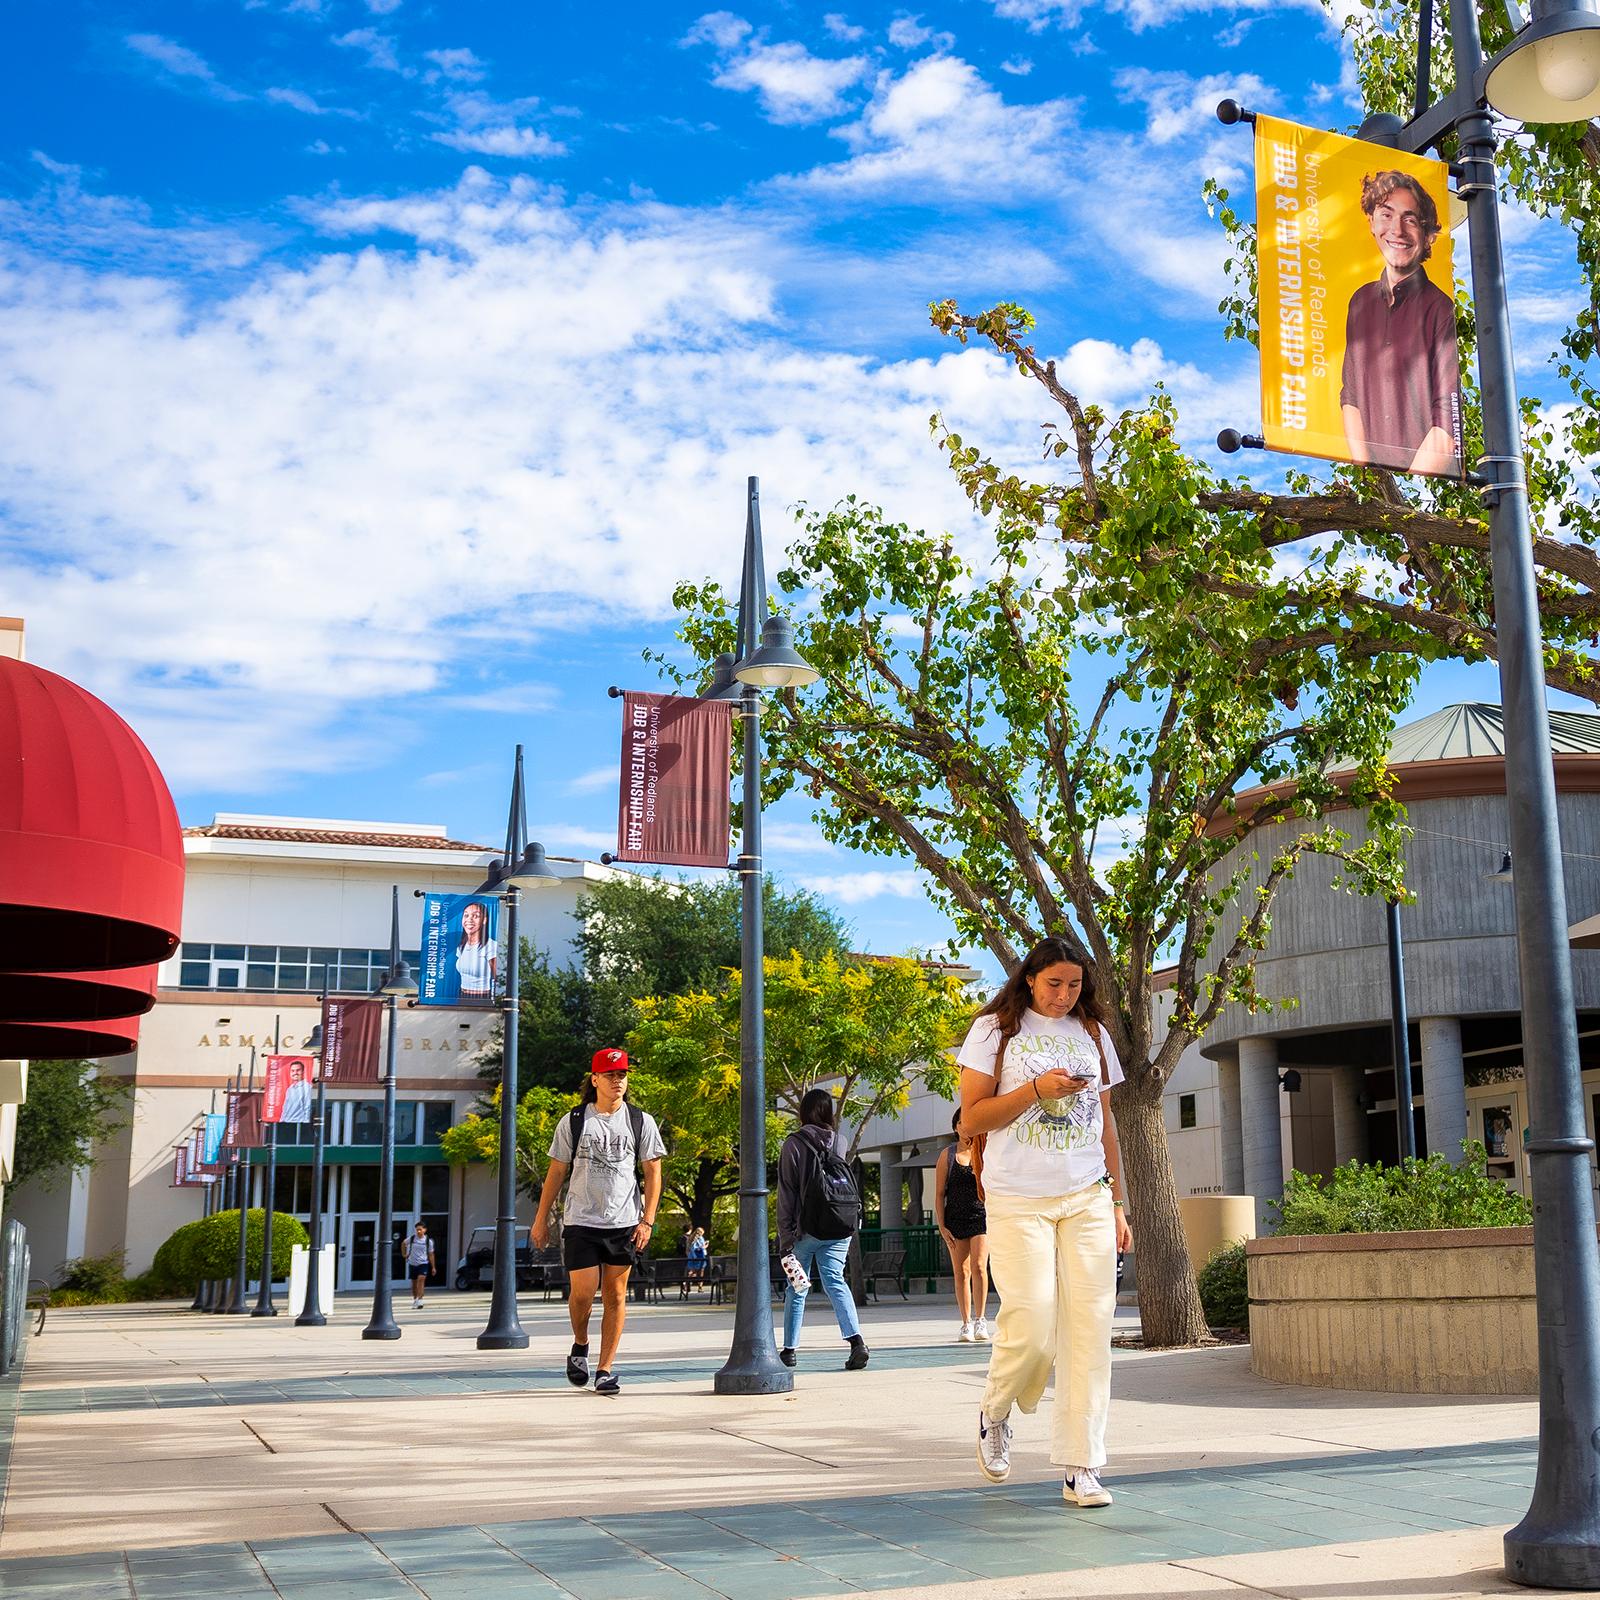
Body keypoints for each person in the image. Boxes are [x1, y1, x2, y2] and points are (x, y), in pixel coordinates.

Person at [958, 934, 1133, 1509]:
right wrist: (1035, 1090)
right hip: (1017, 1197)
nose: (1064, 995)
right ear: (1030, 979)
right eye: (1054, 983)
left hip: (1086, 1196)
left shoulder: (1094, 1035)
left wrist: (1117, 1200)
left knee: (1090, 1333)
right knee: (1031, 1323)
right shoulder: (993, 1032)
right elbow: (973, 1120)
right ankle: (996, 1409)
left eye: (1075, 985)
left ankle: (1082, 1466)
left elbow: (1105, 1125)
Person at [532, 1047, 665, 1397]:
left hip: (623, 1222)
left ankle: (605, 1369)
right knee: (582, 1294)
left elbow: (653, 1174)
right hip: (581, 1221)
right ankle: (580, 1344)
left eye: (622, 1075)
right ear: (595, 1080)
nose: (617, 1080)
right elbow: (556, 1171)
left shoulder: (640, 1121)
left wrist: (647, 1221)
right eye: (610, 1075)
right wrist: (541, 1219)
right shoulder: (574, 1120)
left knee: (616, 1297)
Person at [1340, 169, 1461, 478]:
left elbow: (1447, 421)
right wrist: (1370, 479)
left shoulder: (1439, 308)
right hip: (1374, 489)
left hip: (1423, 486)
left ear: (1429, 234)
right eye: (1386, 214)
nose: (1397, 230)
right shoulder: (1360, 302)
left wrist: (1406, 496)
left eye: (1410, 219)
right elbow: (1351, 396)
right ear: (1371, 221)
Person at [775, 1088, 869, 1372]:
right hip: (839, 1225)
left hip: (806, 1229)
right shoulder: (838, 1141)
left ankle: (789, 1350)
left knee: (797, 1287)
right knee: (835, 1281)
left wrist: (785, 1237)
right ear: (828, 1112)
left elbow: (787, 1193)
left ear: (803, 1112)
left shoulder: (793, 1144)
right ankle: (856, 1342)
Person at [934, 1108, 990, 1343]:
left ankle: (981, 1319)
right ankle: (965, 1323)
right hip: (954, 1220)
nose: (966, 1127)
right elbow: (938, 1194)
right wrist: (942, 1226)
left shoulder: (984, 1152)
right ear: (956, 1126)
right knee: (961, 1272)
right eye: (962, 1123)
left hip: (981, 1217)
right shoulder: (947, 1156)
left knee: (979, 1267)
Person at [455, 898, 497, 998]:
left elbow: (498, 977)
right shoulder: (461, 946)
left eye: (475, 916)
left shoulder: (490, 946)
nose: (469, 919)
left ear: (484, 920)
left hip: (482, 997)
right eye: (466, 915)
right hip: (462, 995)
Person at [405, 1221, 434, 1309]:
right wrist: (404, 1254)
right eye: (417, 1230)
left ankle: (420, 1300)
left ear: (425, 1230)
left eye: (420, 1230)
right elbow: (403, 1244)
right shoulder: (412, 1238)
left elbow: (431, 1254)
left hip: (423, 1263)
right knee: (414, 1284)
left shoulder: (428, 1241)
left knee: (421, 1279)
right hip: (412, 1263)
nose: (418, 1231)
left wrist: (433, 1267)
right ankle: (415, 1299)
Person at [280, 1060, 312, 1125]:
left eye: (298, 1070)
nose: (295, 1073)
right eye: (292, 1071)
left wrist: (305, 1124)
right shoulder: (290, 1089)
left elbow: (307, 1107)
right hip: (286, 1123)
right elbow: (285, 1107)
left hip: (299, 1123)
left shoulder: (307, 1087)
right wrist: (281, 1121)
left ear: (303, 1072)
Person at [685, 1226, 709, 1291]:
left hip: (692, 1257)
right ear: (701, 1233)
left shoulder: (691, 1237)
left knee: (692, 1271)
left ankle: (687, 1284)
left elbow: (690, 1248)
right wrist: (705, 1246)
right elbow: (698, 1248)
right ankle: (700, 1287)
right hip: (699, 1257)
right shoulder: (699, 1238)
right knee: (700, 1272)